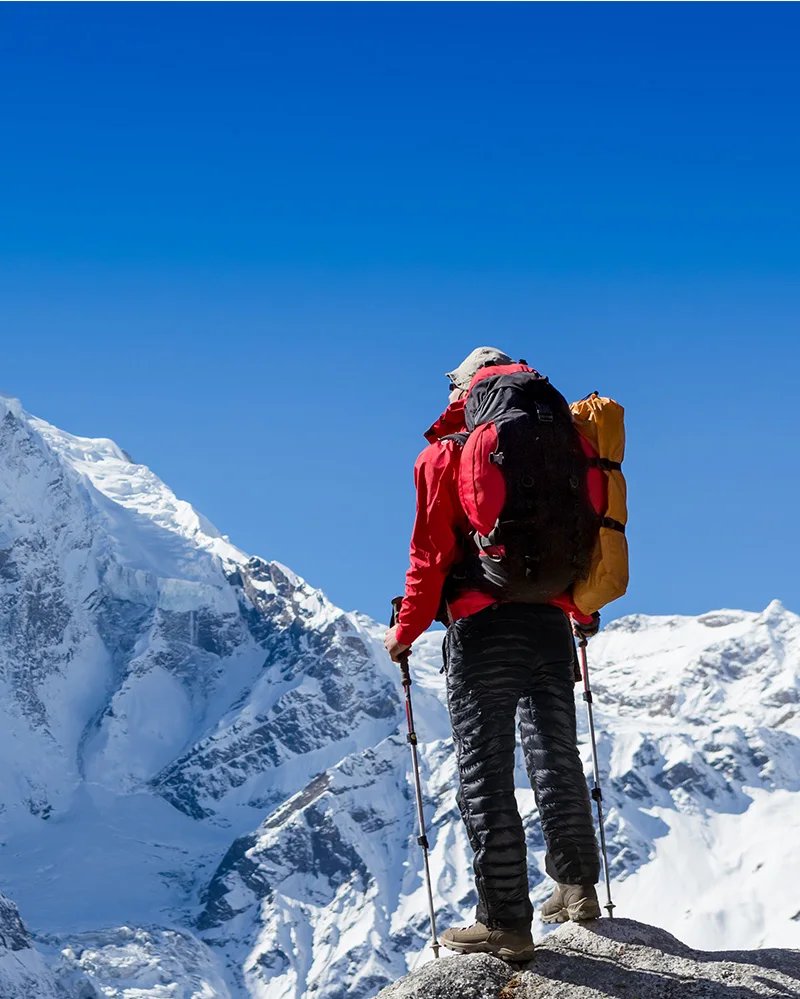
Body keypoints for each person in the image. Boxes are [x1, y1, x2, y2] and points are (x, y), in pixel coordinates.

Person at [384, 347, 601, 962]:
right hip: (554, 625)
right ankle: (578, 891)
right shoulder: (569, 441)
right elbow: (585, 532)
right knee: (557, 757)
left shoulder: (448, 452)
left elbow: (429, 555)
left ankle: (505, 923)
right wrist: (581, 613)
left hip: (483, 631)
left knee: (486, 776)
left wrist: (405, 631)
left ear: (462, 390)